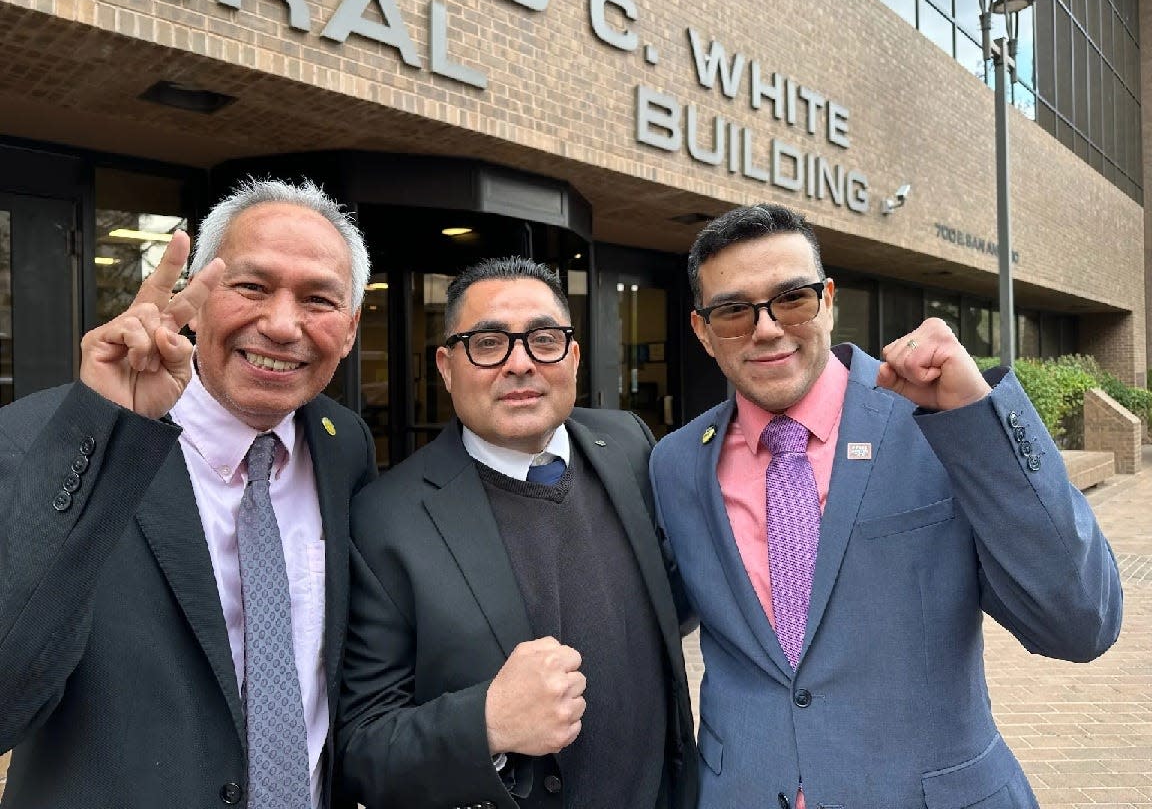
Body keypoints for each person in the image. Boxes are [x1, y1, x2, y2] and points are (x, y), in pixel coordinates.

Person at [649, 204, 1123, 809]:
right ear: (701, 329)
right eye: (734, 310)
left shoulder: (940, 424)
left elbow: (1081, 623)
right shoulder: (676, 462)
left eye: (791, 298)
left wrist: (982, 421)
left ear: (827, 299)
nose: (766, 328)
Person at [0, 179, 377, 809]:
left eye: (319, 299)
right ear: (194, 299)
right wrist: (104, 437)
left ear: (352, 327)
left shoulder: (344, 446)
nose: (283, 325)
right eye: (251, 287)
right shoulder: (43, 440)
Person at [338, 256, 698, 809]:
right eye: (487, 344)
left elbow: (675, 592)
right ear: (445, 366)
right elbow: (362, 748)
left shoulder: (627, 445)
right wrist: (486, 724)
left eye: (544, 339)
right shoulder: (386, 519)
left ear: (573, 356)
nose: (520, 364)